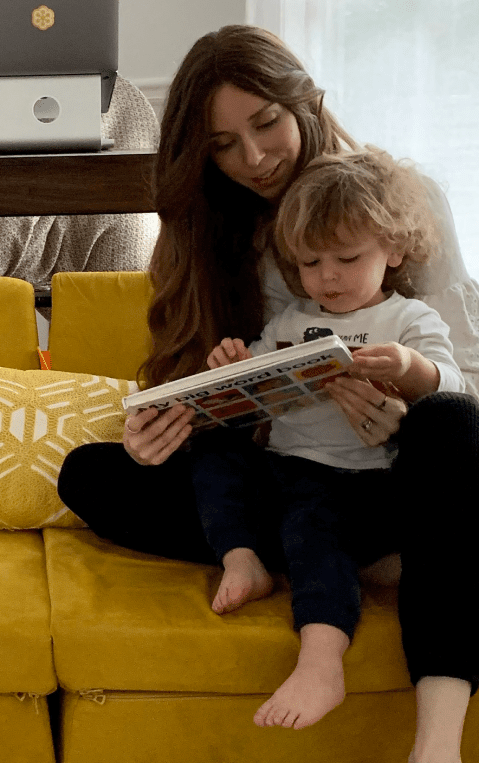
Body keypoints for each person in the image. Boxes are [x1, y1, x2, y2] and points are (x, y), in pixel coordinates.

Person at [56, 25, 479, 763]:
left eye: (265, 123)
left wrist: (404, 414)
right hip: (291, 476)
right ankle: (325, 556)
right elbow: (207, 392)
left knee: (451, 420)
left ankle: (437, 743)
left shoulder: (398, 202)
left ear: (305, 103)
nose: (255, 158)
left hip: (393, 482)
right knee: (93, 473)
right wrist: (169, 423)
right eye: (223, 145)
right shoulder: (211, 233)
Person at [193, 147, 461, 732]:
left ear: (393, 249)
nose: (327, 277)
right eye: (310, 263)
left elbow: (455, 390)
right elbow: (249, 387)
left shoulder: (409, 320)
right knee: (214, 452)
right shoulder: (291, 322)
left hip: (361, 480)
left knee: (312, 523)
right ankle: (244, 562)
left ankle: (320, 658)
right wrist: (230, 365)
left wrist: (409, 368)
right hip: (285, 468)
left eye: (346, 257)